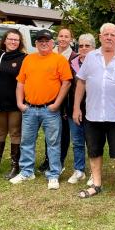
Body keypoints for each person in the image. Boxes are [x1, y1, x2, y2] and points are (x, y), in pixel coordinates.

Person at [73, 23, 115, 204]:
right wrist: (76, 107)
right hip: (93, 114)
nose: (109, 37)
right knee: (94, 150)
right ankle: (96, 184)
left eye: (112, 35)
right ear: (100, 37)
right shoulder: (91, 57)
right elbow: (81, 83)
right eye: (106, 34)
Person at [10, 29, 72, 190]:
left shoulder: (59, 60)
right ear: (36, 44)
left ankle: (53, 174)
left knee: (53, 143)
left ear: (52, 43)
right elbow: (20, 83)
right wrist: (19, 103)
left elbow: (66, 83)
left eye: (47, 41)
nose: (43, 43)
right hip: (29, 108)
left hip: (50, 109)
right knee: (27, 142)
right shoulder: (29, 59)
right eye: (40, 41)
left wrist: (57, 104)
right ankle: (26, 172)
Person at [0, 29, 27, 180]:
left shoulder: (24, 58)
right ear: (5, 40)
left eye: (16, 40)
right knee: (0, 132)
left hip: (16, 102)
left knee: (15, 132)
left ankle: (15, 166)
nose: (13, 42)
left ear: (20, 42)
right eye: (10, 39)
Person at [38, 27, 77, 173]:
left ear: (71, 39)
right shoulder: (49, 53)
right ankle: (48, 159)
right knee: (50, 130)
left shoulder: (74, 57)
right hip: (49, 97)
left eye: (66, 36)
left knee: (64, 131)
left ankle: (59, 159)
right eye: (61, 36)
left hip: (66, 99)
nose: (63, 39)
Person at [66, 33, 96, 184]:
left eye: (87, 46)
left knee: (92, 142)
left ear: (93, 47)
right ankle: (79, 170)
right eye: (81, 45)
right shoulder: (71, 62)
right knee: (77, 141)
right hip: (74, 108)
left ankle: (94, 173)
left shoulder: (98, 62)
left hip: (93, 109)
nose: (83, 48)